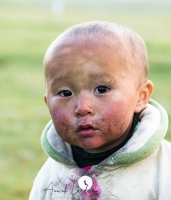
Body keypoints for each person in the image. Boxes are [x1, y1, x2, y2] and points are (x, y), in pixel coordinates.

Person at [29, 21, 171, 200]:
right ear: (47, 102)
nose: (82, 108)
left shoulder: (164, 171)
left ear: (141, 96)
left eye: (101, 89)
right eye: (65, 93)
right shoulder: (51, 174)